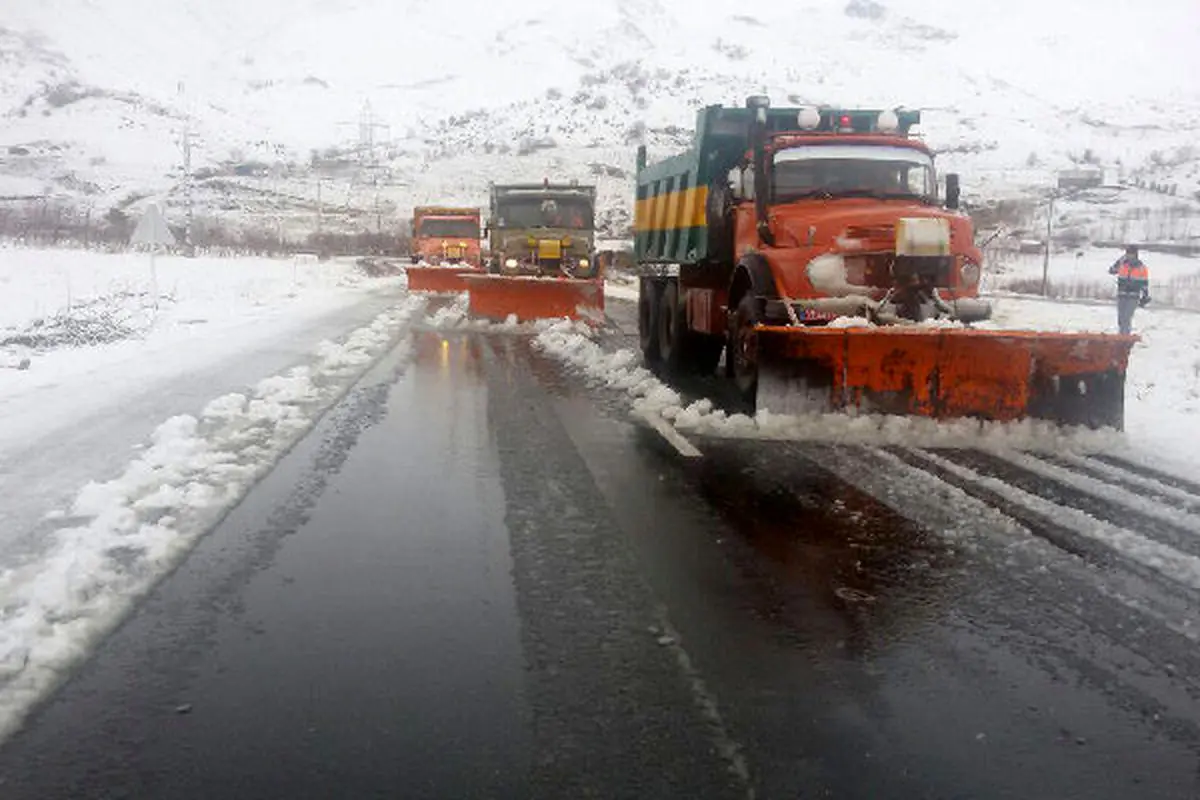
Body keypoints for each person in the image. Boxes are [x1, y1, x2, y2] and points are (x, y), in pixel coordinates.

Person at [1108, 245, 1150, 334]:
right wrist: (1119, 262)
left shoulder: (1142, 268)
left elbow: (1144, 284)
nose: (1129, 256)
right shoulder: (1122, 264)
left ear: (1135, 255)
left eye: (1131, 254)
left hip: (1133, 297)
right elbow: (1111, 271)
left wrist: (1145, 296)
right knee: (1120, 318)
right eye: (1127, 254)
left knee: (1126, 318)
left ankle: (1124, 338)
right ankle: (1121, 336)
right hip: (1121, 295)